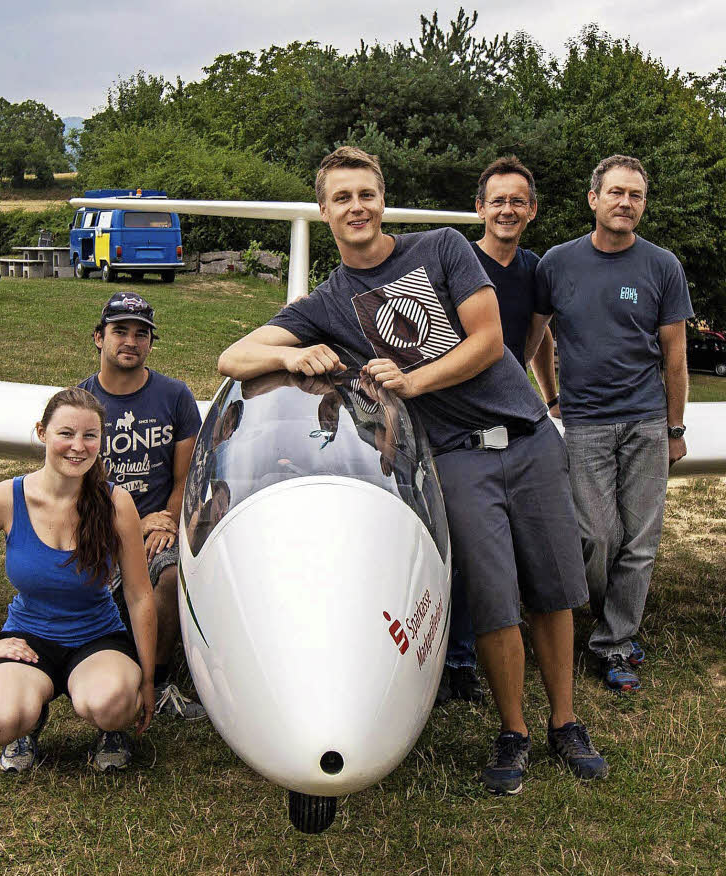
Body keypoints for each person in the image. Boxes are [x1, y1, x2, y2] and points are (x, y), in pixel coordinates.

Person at [218, 146, 607, 795]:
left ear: (382, 198)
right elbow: (234, 357)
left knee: (554, 589)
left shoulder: (444, 248)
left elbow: (487, 341)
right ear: (325, 212)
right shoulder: (327, 302)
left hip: (527, 435)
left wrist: (414, 380)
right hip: (454, 455)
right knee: (491, 599)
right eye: (341, 198)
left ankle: (565, 722)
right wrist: (301, 352)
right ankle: (512, 731)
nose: (356, 207)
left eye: (365, 194)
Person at [530, 154, 693, 692]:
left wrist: (675, 428)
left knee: (640, 541)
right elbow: (537, 339)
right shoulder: (557, 262)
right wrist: (549, 398)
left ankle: (615, 643)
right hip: (587, 424)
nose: (626, 203)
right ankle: (609, 615)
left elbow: (675, 357)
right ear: (594, 199)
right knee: (596, 535)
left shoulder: (662, 266)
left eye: (637, 196)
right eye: (617, 193)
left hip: (646, 421)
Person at [0, 388, 157, 773]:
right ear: (42, 433)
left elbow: (139, 596)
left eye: (90, 436)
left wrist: (149, 679)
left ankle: (110, 731)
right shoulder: (6, 497)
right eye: (66, 434)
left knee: (112, 703)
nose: (78, 446)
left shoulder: (115, 503)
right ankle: (29, 720)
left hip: (96, 636)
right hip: (29, 637)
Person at [437, 155, 560, 707]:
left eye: (518, 201)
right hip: (461, 425)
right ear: (479, 208)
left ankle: (524, 654)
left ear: (531, 211)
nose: (507, 210)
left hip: (515, 420)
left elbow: (537, 339)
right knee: (469, 551)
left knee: (528, 548)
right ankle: (459, 657)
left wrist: (542, 395)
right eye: (498, 201)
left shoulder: (534, 271)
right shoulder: (456, 263)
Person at [79, 292, 207, 720]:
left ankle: (162, 676)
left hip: (156, 531)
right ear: (98, 338)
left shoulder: (175, 396)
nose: (130, 341)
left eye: (141, 334)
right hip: (100, 526)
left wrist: (168, 521)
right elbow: (69, 485)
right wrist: (129, 522)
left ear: (151, 343)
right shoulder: (79, 403)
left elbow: (184, 477)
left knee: (171, 575)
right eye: (119, 331)